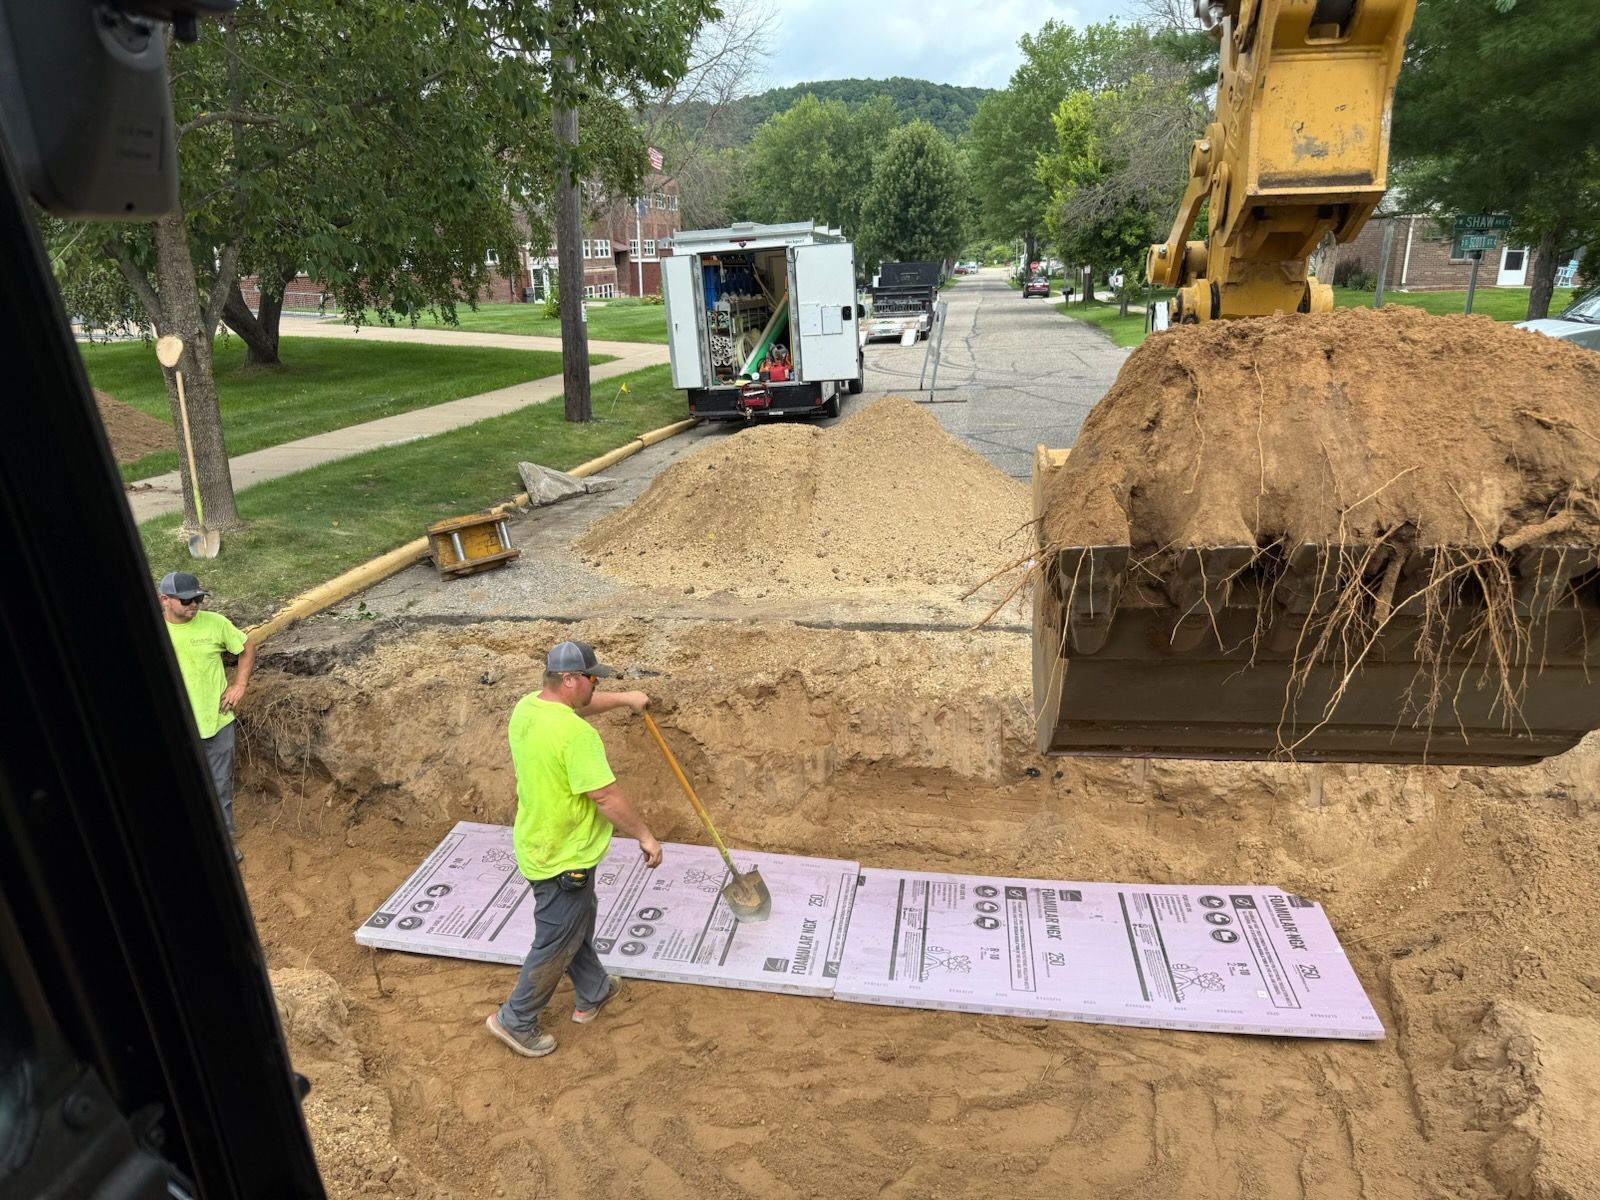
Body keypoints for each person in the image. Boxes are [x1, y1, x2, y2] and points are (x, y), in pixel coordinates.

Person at [486, 640, 664, 1059]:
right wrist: (644, 835)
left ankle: (594, 989)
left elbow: (579, 706)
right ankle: (515, 1020)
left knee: (575, 923)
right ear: (569, 679)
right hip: (564, 857)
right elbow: (605, 795)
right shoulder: (576, 735)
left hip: (539, 842)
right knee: (556, 940)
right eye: (591, 677)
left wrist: (626, 699)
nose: (594, 684)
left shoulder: (529, 708)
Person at [157, 571, 255, 862]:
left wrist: (240, 684)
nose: (194, 605)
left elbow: (246, 646)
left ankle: (222, 844)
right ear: (165, 600)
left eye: (198, 599)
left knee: (219, 786)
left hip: (216, 722)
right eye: (187, 600)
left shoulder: (215, 623)